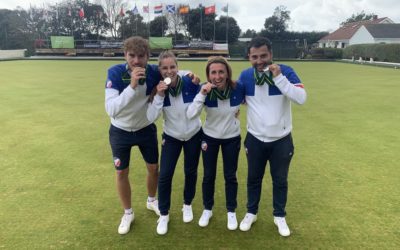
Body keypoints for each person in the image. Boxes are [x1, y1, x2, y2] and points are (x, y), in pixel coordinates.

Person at [238, 37, 307, 236]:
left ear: (271, 55)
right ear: (249, 57)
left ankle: (279, 216)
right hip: (255, 139)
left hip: (282, 140)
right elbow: (236, 97)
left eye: (263, 56)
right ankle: (251, 212)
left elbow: (301, 98)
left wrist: (279, 78)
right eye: (254, 57)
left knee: (280, 180)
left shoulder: (285, 71)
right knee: (253, 178)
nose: (259, 61)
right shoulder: (245, 75)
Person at [105, 36, 161, 235]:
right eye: (132, 56)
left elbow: (175, 71)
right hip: (120, 130)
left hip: (145, 128)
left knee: (154, 168)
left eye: (141, 56)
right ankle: (128, 213)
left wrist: (191, 76)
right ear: (125, 56)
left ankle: (152, 200)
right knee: (121, 172)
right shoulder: (115, 72)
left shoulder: (154, 72)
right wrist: (132, 86)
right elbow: (111, 109)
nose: (136, 61)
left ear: (148, 57)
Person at [146, 51, 202, 235]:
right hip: (171, 136)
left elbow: (204, 100)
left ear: (177, 67)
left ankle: (187, 204)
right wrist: (160, 96)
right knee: (165, 175)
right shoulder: (158, 89)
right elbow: (151, 117)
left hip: (194, 134)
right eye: (164, 68)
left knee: (191, 171)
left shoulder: (190, 82)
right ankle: (164, 213)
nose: (169, 71)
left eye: (172, 67)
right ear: (159, 69)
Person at [187, 56, 245, 231]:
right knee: (208, 175)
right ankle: (207, 209)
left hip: (232, 138)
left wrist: (237, 113)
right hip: (210, 138)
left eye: (221, 72)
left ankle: (231, 211)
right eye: (213, 72)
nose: (217, 76)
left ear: (227, 73)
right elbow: (191, 114)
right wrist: (202, 93)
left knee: (230, 175)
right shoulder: (203, 89)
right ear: (208, 74)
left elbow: (250, 102)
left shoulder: (238, 88)